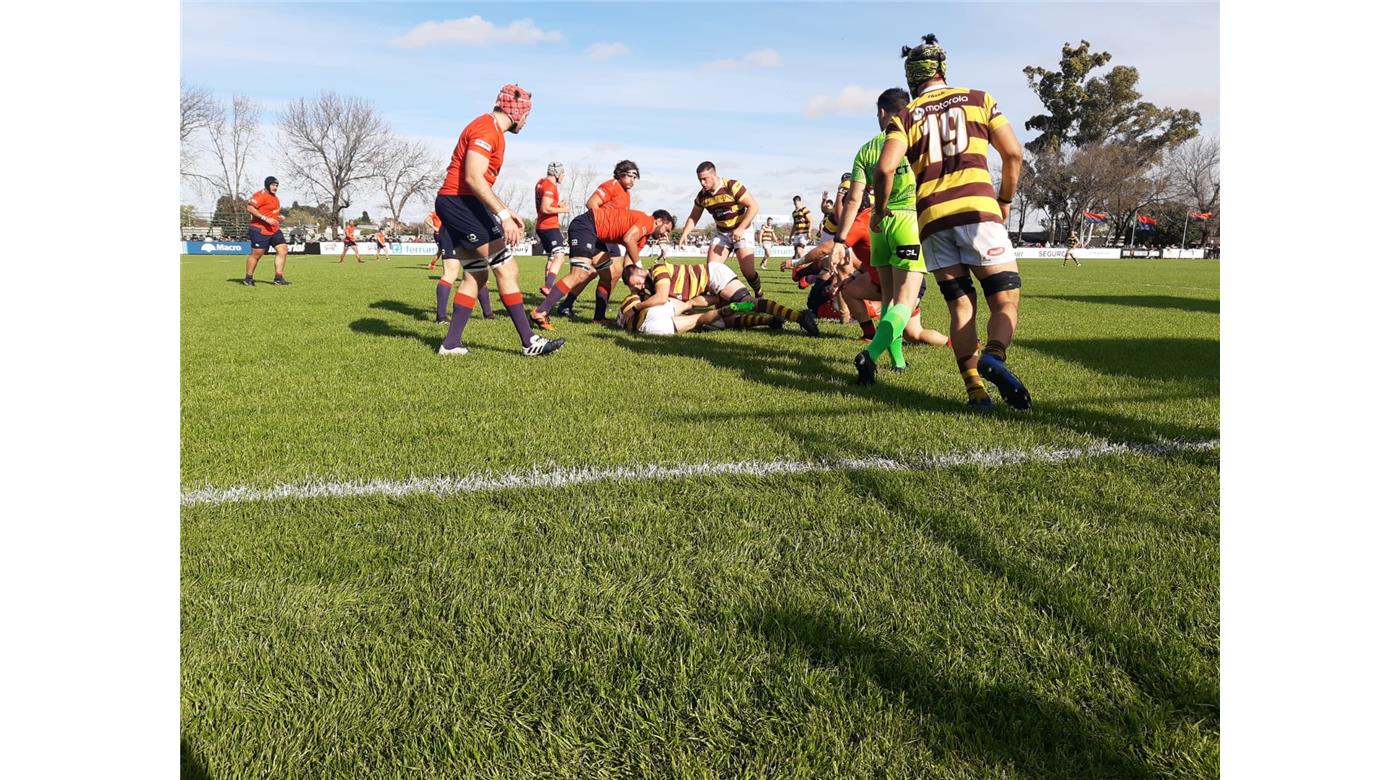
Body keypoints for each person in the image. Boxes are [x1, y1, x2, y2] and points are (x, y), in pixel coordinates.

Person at [870, 34, 1029, 409]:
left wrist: (879, 210)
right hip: (978, 213)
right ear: (942, 69)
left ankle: (976, 391)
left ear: (912, 78)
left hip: (933, 222)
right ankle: (994, 355)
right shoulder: (980, 100)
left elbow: (885, 168)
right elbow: (1014, 154)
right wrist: (1004, 199)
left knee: (961, 307)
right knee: (1005, 300)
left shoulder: (904, 117)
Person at [433, 83, 563, 357]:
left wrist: (504, 209)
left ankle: (451, 344)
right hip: (460, 202)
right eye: (526, 115)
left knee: (477, 274)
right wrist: (502, 215)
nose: (526, 121)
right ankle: (529, 341)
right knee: (507, 268)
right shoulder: (487, 129)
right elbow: (472, 177)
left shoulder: (491, 129)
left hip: (460, 202)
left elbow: (476, 182)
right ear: (515, 112)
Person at [834, 87, 928, 376]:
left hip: (878, 224)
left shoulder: (867, 149)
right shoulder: (916, 140)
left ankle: (898, 361)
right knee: (905, 302)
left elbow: (852, 199)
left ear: (884, 112)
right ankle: (871, 353)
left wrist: (840, 239)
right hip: (908, 223)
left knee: (888, 302)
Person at [531, 208, 675, 330]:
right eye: (666, 230)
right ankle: (541, 311)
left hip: (596, 235)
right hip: (586, 226)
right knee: (579, 273)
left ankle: (599, 318)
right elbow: (628, 239)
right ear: (658, 221)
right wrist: (639, 265)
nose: (665, 235)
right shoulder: (647, 221)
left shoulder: (643, 237)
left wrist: (640, 286)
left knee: (608, 276)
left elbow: (628, 266)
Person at [620, 259, 818, 336]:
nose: (637, 287)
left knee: (748, 304)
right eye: (633, 287)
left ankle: (800, 317)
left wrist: (635, 309)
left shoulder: (657, 270)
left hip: (713, 276)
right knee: (727, 319)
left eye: (635, 281)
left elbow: (662, 298)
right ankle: (771, 319)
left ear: (639, 270)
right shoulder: (651, 288)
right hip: (706, 291)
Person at [553, 160, 639, 321]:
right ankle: (563, 306)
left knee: (613, 273)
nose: (632, 180)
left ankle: (595, 310)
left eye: (635, 177)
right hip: (598, 231)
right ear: (620, 174)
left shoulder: (626, 194)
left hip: (610, 236)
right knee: (589, 272)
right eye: (629, 176)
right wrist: (602, 225)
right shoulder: (611, 185)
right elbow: (591, 203)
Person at [675, 162, 764, 297]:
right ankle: (721, 303)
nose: (702, 183)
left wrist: (740, 228)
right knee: (711, 272)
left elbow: (754, 206)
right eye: (700, 180)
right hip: (722, 233)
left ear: (714, 175)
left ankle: (758, 291)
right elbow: (694, 216)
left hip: (742, 229)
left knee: (748, 272)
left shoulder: (731, 186)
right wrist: (685, 234)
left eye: (705, 179)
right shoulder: (702, 196)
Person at [243, 176, 290, 286]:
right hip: (259, 229)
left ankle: (278, 278)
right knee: (257, 254)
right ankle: (248, 278)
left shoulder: (275, 198)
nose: (275, 187)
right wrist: (266, 219)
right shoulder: (260, 195)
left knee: (283, 249)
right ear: (267, 185)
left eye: (277, 185)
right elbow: (250, 208)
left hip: (274, 230)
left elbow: (271, 213)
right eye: (273, 185)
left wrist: (279, 218)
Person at [534, 162, 571, 295]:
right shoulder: (550, 186)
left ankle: (547, 287)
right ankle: (549, 286)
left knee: (552, 258)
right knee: (560, 256)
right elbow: (545, 208)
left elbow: (545, 205)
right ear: (557, 173)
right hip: (549, 227)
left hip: (542, 226)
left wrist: (556, 205)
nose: (563, 176)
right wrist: (562, 209)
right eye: (562, 173)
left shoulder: (540, 182)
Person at [786, 195, 812, 270]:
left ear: (800, 202)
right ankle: (796, 268)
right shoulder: (794, 213)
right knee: (796, 253)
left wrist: (809, 232)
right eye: (794, 203)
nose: (795, 204)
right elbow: (794, 225)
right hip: (797, 234)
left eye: (797, 202)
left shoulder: (804, 209)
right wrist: (790, 236)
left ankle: (805, 268)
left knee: (799, 250)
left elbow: (810, 220)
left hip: (804, 234)